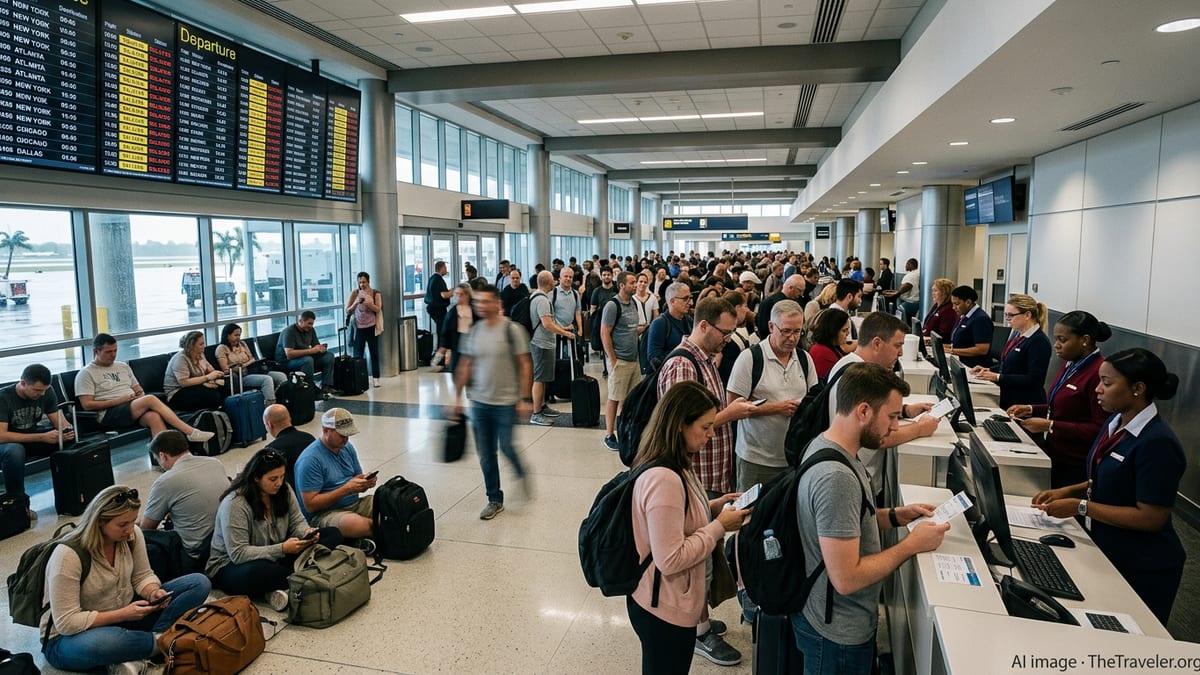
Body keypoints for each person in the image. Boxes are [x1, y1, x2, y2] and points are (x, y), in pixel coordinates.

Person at [794, 362, 947, 673]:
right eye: (891, 417)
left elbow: (844, 521)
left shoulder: (828, 445)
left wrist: (894, 516)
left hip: (832, 616)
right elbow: (847, 578)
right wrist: (912, 545)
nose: (895, 426)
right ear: (863, 411)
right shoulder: (836, 478)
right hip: (837, 631)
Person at [1032, 348, 1184, 625]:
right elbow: (1105, 476)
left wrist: (1080, 506)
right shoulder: (1115, 421)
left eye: (1107, 383)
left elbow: (1151, 517)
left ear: (1138, 388)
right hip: (1106, 545)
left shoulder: (1157, 442)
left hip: (1142, 564)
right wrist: (1068, 490)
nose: (1098, 390)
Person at [628, 380, 750, 672]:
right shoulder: (664, 479)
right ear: (681, 425)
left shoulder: (675, 461)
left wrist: (712, 507)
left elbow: (674, 519)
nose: (712, 434)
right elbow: (670, 559)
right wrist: (719, 526)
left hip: (665, 600)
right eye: (705, 427)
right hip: (663, 607)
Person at [41, 485, 211, 673]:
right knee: (102, 643)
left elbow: (142, 576)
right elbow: (67, 622)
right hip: (72, 637)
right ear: (99, 522)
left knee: (198, 583)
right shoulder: (68, 555)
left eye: (133, 521)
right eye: (122, 524)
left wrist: (153, 591)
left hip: (124, 616)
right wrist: (123, 614)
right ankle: (165, 642)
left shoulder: (132, 535)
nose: (130, 530)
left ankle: (145, 646)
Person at [207, 448, 342, 611]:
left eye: (281, 476)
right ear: (256, 478)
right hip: (232, 565)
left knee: (332, 534)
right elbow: (239, 553)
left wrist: (306, 533)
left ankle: (285, 582)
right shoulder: (236, 503)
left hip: (278, 554)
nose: (279, 482)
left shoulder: (283, 490)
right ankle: (304, 574)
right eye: (272, 479)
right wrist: (282, 549)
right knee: (261, 572)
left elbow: (297, 521)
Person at [828, 313, 940, 499]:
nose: (901, 353)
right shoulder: (861, 378)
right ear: (877, 343)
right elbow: (880, 437)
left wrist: (903, 411)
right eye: (897, 345)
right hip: (861, 477)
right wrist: (920, 428)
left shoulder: (847, 363)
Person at [657, 297, 757, 497]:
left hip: (713, 474)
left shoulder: (706, 359)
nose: (728, 339)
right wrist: (730, 414)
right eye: (725, 333)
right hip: (697, 476)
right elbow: (681, 426)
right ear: (704, 325)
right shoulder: (682, 365)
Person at [453, 284, 534, 520]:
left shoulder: (512, 330)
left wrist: (524, 398)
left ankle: (521, 471)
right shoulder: (474, 331)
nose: (481, 306)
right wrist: (457, 397)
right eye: (478, 302)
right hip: (479, 402)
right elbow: (466, 364)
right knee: (486, 454)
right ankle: (494, 499)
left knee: (507, 446)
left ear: (497, 303)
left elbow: (525, 364)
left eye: (486, 301)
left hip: (506, 402)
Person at [1007, 311, 1111, 487]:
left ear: (1084, 340)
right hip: (1055, 451)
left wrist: (1050, 425)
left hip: (1075, 463)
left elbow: (1099, 429)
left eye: (1062, 340)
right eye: (1056, 339)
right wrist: (1031, 408)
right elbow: (1063, 406)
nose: (1056, 345)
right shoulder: (1071, 363)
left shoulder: (1098, 372)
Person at [726, 300, 811, 491]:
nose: (792, 338)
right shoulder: (750, 359)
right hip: (756, 459)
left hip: (793, 457)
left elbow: (814, 398)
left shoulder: (805, 359)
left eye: (797, 332)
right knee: (751, 517)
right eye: (786, 331)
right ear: (771, 327)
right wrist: (775, 408)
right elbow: (732, 408)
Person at [75, 334, 214, 443]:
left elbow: (137, 388)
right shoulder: (86, 373)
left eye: (115, 350)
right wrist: (119, 400)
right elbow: (87, 405)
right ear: (95, 351)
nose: (113, 355)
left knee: (154, 417)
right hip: (109, 414)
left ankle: (165, 457)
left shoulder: (122, 366)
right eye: (108, 352)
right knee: (150, 399)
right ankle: (190, 432)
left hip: (131, 407)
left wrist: (139, 395)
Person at [139, 430, 227, 572]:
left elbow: (147, 527)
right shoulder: (215, 463)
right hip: (224, 540)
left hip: (197, 555)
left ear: (162, 456)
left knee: (140, 535)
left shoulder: (166, 481)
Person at [295, 408, 377, 546]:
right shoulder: (310, 460)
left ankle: (374, 533)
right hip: (324, 514)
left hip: (354, 504)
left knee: (390, 503)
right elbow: (310, 506)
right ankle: (378, 532)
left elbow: (356, 476)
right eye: (341, 435)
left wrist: (364, 483)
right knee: (359, 524)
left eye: (348, 435)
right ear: (326, 430)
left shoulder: (347, 447)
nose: (346, 439)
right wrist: (346, 489)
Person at [0, 363, 72, 520]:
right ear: (23, 383)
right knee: (15, 451)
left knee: (68, 443)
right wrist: (41, 437)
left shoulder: (47, 392)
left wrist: (65, 431)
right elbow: (2, 436)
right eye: (37, 390)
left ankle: (71, 495)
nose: (41, 394)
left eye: (44, 390)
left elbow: (58, 420)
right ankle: (19, 505)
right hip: (6, 444)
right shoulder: (4, 397)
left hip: (30, 437)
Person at [969, 294, 1052, 408]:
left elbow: (1034, 380)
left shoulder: (1039, 341)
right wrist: (989, 370)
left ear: (1027, 315)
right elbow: (1011, 366)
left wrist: (997, 377)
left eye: (1011, 315)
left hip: (1024, 402)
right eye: (1006, 315)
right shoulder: (1017, 334)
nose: (1007, 319)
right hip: (1008, 396)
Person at [600, 272, 643, 450]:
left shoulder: (633, 303)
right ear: (622, 285)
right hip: (620, 360)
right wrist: (613, 360)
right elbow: (605, 333)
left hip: (634, 359)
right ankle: (609, 434)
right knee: (614, 397)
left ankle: (626, 430)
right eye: (632, 283)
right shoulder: (612, 305)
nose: (636, 285)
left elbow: (631, 330)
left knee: (630, 398)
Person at [528, 271, 576, 426]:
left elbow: (550, 321)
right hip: (541, 343)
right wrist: (565, 333)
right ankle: (536, 413)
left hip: (545, 343)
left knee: (544, 378)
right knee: (539, 379)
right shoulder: (542, 300)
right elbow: (547, 324)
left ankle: (542, 407)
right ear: (549, 283)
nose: (555, 282)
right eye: (553, 280)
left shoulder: (539, 297)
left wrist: (563, 328)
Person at [215, 323, 286, 403]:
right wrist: (243, 366)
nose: (238, 337)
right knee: (266, 379)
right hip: (241, 377)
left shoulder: (242, 344)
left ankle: (285, 402)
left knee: (281, 376)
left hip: (254, 370)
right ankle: (271, 407)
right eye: (236, 335)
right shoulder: (222, 349)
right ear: (228, 335)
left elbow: (252, 359)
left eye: (239, 335)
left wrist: (243, 365)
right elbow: (226, 369)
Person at [277, 310, 336, 398]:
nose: (311, 326)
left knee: (329, 356)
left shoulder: (310, 330)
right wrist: (311, 351)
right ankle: (309, 389)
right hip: (287, 362)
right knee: (308, 360)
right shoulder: (289, 332)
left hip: (304, 357)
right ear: (301, 321)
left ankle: (326, 385)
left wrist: (320, 348)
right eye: (309, 323)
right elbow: (289, 354)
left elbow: (315, 345)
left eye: (312, 324)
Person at [164, 331, 225, 411]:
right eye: (201, 344)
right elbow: (184, 382)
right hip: (177, 392)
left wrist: (216, 375)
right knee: (212, 395)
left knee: (227, 384)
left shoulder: (200, 354)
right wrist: (207, 378)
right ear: (191, 346)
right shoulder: (181, 359)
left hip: (197, 386)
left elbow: (210, 370)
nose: (204, 346)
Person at [263, 403, 317, 490]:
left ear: (269, 424)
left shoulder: (273, 449)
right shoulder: (309, 437)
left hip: (293, 495)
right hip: (318, 487)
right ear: (290, 418)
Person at [345, 271, 383, 388]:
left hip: (371, 327)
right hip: (359, 328)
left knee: (374, 353)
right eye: (360, 282)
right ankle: (359, 378)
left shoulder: (375, 293)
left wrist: (369, 303)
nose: (362, 284)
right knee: (358, 355)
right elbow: (348, 310)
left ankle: (376, 378)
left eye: (364, 282)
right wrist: (356, 302)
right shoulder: (355, 293)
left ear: (368, 281)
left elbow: (378, 309)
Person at [945, 285, 993, 368]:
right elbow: (963, 343)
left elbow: (982, 349)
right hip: (960, 361)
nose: (953, 308)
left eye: (957, 304)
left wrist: (952, 351)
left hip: (973, 366)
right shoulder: (964, 315)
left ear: (968, 302)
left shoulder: (980, 319)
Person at [433, 283, 473, 374]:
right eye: (456, 294)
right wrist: (438, 357)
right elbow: (445, 335)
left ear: (468, 295)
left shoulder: (474, 311)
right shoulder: (452, 313)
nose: (458, 297)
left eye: (461, 294)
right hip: (457, 350)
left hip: (472, 350)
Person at [717, 290, 755, 387]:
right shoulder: (722, 332)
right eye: (745, 306)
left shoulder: (739, 330)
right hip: (726, 384)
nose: (747, 310)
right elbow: (717, 359)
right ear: (737, 308)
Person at [757, 274, 805, 340]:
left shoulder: (767, 301)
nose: (801, 294)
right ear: (790, 288)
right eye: (799, 290)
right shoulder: (784, 305)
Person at [808, 308, 852, 380]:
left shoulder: (833, 346)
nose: (847, 334)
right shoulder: (822, 352)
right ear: (833, 331)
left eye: (848, 330)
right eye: (844, 330)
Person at [425, 260, 453, 354]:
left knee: (440, 329)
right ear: (442, 268)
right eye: (445, 268)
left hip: (434, 308)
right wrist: (454, 292)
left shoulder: (433, 278)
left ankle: (440, 350)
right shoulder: (438, 279)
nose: (446, 270)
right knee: (442, 330)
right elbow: (443, 295)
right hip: (438, 309)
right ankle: (441, 352)